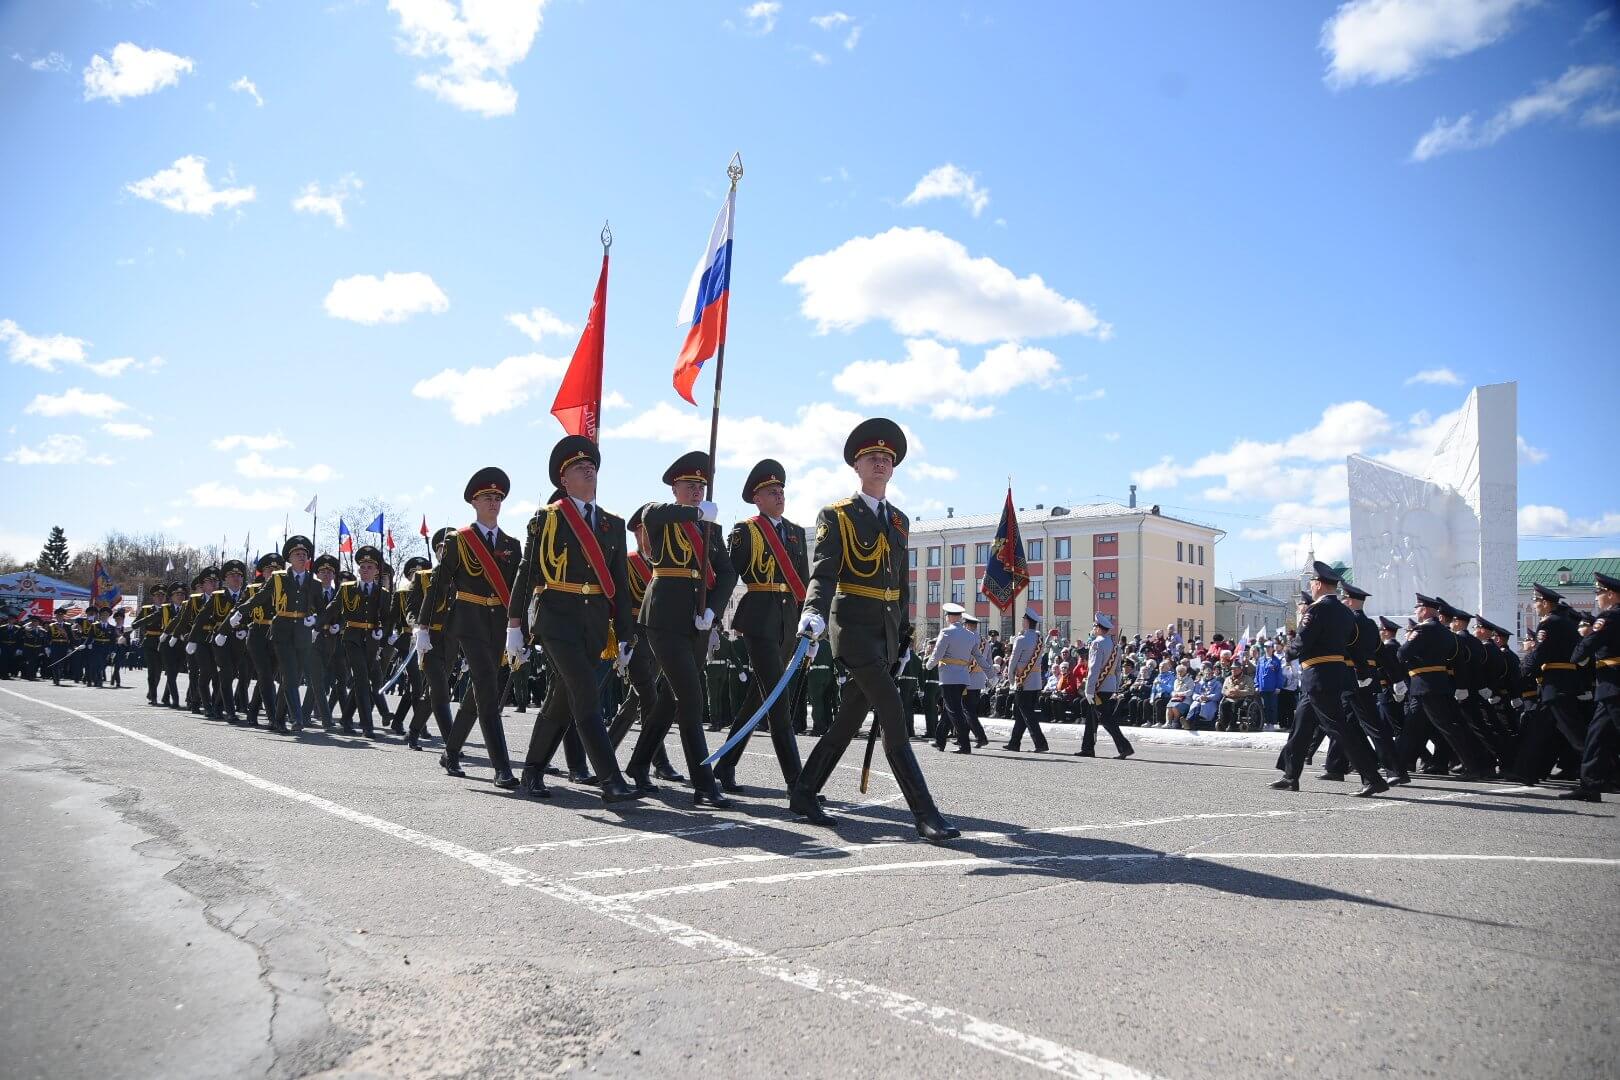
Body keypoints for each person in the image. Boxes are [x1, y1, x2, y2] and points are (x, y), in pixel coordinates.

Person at [787, 417, 959, 843]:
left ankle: (804, 792)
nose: (880, 462)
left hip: (884, 632)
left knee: (847, 720)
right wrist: (813, 612)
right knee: (894, 712)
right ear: (857, 466)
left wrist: (905, 636)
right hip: (853, 627)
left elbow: (900, 583)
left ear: (893, 467)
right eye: (872, 457)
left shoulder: (899, 521)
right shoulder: (837, 515)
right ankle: (925, 814)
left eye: (886, 458)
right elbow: (825, 573)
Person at [503, 436, 641, 804]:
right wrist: (514, 625)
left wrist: (626, 636)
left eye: (592, 466)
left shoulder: (612, 523)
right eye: (579, 467)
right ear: (563, 480)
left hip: (595, 624)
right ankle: (611, 780)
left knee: (561, 700)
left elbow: (621, 587)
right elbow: (526, 572)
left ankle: (532, 771)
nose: (588, 469)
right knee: (584, 692)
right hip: (556, 619)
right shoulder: (547, 519)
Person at [624, 451, 738, 805]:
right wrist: (695, 513)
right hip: (663, 617)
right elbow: (651, 514)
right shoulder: (662, 516)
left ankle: (640, 764)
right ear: (675, 488)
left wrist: (714, 612)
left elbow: (729, 572)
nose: (697, 492)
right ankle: (704, 782)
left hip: (696, 620)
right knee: (690, 697)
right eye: (690, 486)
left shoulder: (710, 527)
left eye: (701, 487)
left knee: (671, 699)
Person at [415, 467, 522, 789]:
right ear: (474, 502)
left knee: (479, 692)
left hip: (498, 624)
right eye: (487, 497)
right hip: (469, 621)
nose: (494, 502)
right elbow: (438, 586)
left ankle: (450, 751)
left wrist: (523, 631)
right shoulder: (459, 540)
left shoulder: (511, 544)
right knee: (488, 689)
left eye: (498, 497)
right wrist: (422, 626)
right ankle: (502, 767)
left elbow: (518, 592)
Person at [714, 458, 811, 793]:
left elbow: (805, 582)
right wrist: (712, 614)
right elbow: (729, 574)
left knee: (758, 698)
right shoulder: (746, 530)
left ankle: (725, 764)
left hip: (788, 621)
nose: (779, 495)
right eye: (772, 491)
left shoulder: (796, 533)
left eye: (781, 490)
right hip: (758, 618)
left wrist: (809, 624)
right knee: (777, 699)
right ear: (757, 498)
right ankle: (797, 782)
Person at [1271, 562, 1389, 797]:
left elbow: (1304, 641)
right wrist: (1363, 672)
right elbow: (1354, 645)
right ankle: (1290, 775)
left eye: (1311, 583)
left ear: (1317, 584)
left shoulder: (1316, 610)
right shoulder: (1346, 612)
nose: (1311, 587)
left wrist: (1288, 652)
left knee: (1338, 728)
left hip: (1318, 675)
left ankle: (1372, 778)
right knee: (1301, 726)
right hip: (1333, 675)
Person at [1396, 593, 1496, 780]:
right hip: (1438, 685)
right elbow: (1458, 661)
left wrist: (1410, 639)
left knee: (1450, 730)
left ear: (1424, 610)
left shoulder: (1422, 631)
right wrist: (1460, 685)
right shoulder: (1446, 633)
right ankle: (1397, 767)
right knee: (1413, 728)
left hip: (1425, 686)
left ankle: (1476, 767)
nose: (1416, 612)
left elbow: (1402, 654)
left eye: (1417, 608)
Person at [230, 536, 326, 733]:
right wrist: (240, 612)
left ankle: (279, 719)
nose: (301, 557)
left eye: (304, 554)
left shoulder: (314, 583)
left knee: (294, 677)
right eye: (297, 554)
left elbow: (323, 610)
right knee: (289, 673)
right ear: (289, 558)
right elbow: (260, 597)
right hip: (281, 630)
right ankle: (297, 718)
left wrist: (315, 620)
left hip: (302, 633)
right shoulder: (278, 578)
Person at [325, 545, 394, 737]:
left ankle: (346, 720)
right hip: (352, 638)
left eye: (370, 567)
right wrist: (317, 624)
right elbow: (333, 608)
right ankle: (367, 726)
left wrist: (385, 632)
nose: (366, 570)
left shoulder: (384, 594)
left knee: (359, 681)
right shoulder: (347, 589)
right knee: (362, 679)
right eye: (363, 567)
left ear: (377, 571)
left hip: (371, 641)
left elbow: (388, 618)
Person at [1565, 571, 1619, 801]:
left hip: (1614, 684)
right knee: (1597, 737)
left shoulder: (1610, 617)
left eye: (1599, 592)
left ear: (1612, 594)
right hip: (1608, 687)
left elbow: (1587, 645)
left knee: (1599, 737)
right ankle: (1590, 785)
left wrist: (1578, 654)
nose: (1597, 596)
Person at [1080, 614, 1135, 758]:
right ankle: (1087, 748)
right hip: (1109, 686)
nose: (1093, 629)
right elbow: (1117, 670)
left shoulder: (1097, 643)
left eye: (1094, 626)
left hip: (1099, 687)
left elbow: (1094, 668)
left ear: (1098, 628)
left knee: (1105, 718)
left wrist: (1089, 689)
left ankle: (1125, 747)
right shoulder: (1115, 646)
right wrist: (1116, 687)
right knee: (1092, 717)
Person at [926, 602, 977, 753]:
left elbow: (937, 653)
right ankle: (940, 740)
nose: (946, 617)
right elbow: (977, 656)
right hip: (962, 677)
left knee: (954, 711)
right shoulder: (970, 635)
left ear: (950, 617)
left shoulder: (946, 632)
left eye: (947, 615)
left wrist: (928, 665)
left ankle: (964, 744)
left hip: (949, 677)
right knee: (950, 709)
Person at [1002, 609, 1049, 752]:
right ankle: (1014, 742)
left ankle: (1040, 743)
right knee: (1022, 713)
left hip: (1023, 681)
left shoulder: (1021, 639)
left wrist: (1011, 680)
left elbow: (1013, 661)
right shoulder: (1040, 639)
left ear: (1027, 622)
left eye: (1023, 620)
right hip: (1035, 681)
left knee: (1027, 714)